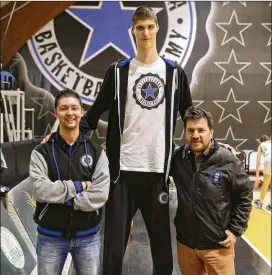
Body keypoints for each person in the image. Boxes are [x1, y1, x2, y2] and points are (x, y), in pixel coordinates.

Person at [79, 5, 192, 275]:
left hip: (157, 174)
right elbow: (92, 115)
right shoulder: (118, 72)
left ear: (157, 29)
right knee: (114, 249)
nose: (145, 32)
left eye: (150, 26)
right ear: (133, 31)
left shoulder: (174, 73)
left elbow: (191, 118)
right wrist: (60, 139)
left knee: (162, 250)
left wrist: (212, 146)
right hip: (122, 175)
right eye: (140, 27)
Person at [29, 89, 110, 275]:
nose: (70, 113)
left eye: (74, 108)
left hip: (88, 237)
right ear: (55, 113)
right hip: (50, 237)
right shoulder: (41, 152)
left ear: (82, 112)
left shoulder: (96, 152)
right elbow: (41, 190)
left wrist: (65, 199)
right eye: (64, 108)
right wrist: (81, 186)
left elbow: (101, 193)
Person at [170, 106, 253, 275]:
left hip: (218, 245)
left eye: (201, 130)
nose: (195, 135)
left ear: (211, 132)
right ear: (185, 133)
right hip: (186, 243)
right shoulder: (178, 158)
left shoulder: (227, 160)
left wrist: (235, 231)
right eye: (190, 130)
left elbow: (245, 195)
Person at [254, 135, 271, 211]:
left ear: (261, 141)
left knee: (265, 184)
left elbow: (258, 161)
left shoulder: (261, 145)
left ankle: (260, 202)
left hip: (268, 160)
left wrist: (257, 177)